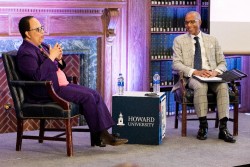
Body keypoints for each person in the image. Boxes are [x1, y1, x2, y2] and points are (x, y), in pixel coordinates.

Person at [16, 16, 128, 147]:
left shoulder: (41, 46)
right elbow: (36, 77)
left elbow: (57, 66)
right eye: (38, 29)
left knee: (94, 93)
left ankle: (103, 134)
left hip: (59, 85)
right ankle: (102, 135)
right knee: (88, 97)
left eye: (42, 28)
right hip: (47, 91)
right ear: (27, 33)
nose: (42, 32)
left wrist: (59, 59)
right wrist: (51, 57)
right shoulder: (25, 52)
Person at [172, 11, 236, 143]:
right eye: (186, 22)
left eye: (192, 22)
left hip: (211, 76)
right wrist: (195, 71)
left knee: (223, 86)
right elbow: (176, 64)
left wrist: (215, 72)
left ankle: (223, 129)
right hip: (193, 77)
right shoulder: (179, 41)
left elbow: (223, 63)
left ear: (199, 22)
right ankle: (203, 126)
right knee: (200, 86)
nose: (188, 25)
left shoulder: (212, 40)